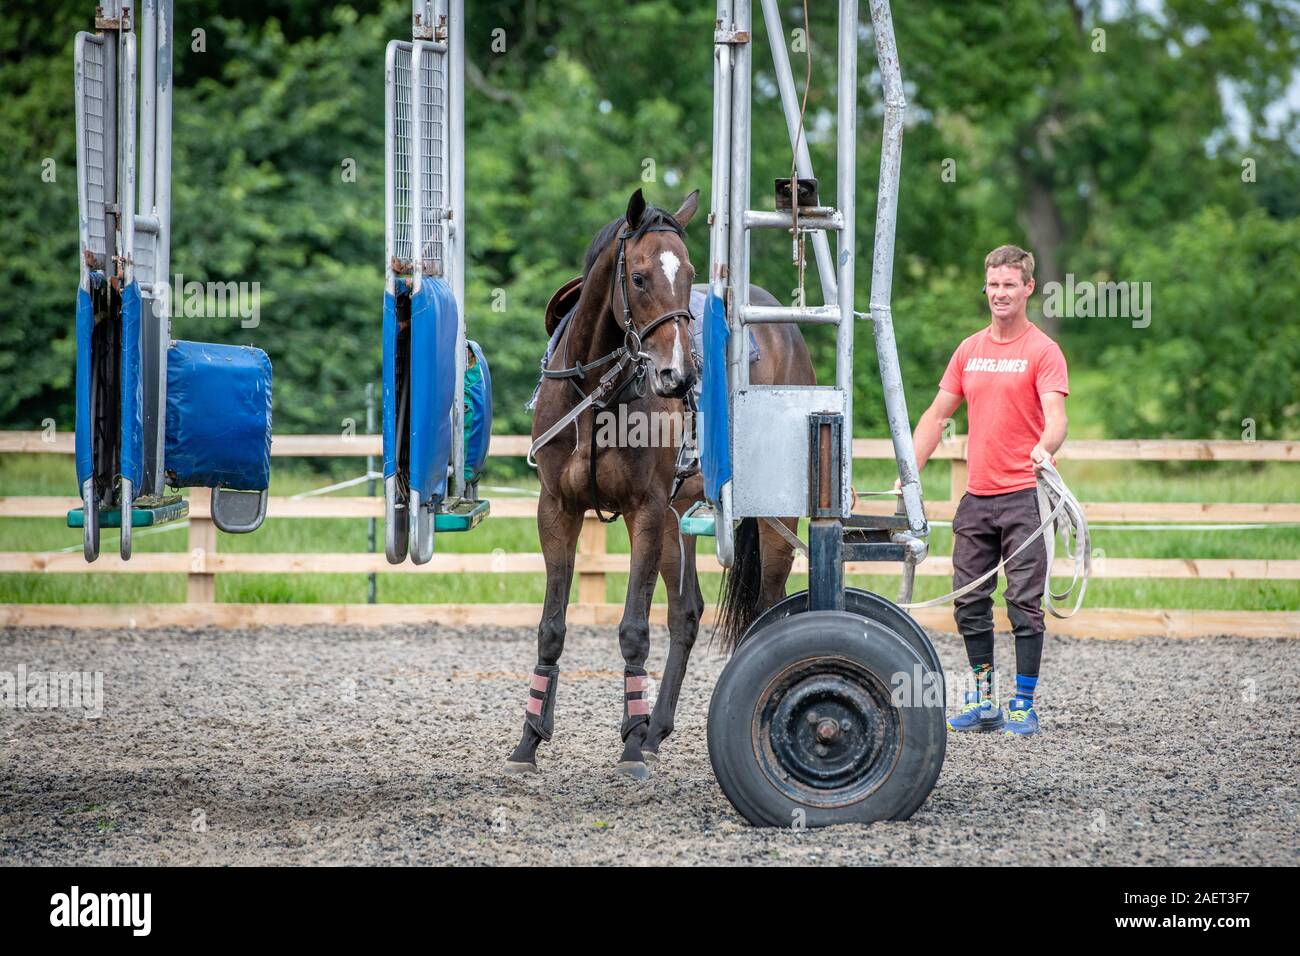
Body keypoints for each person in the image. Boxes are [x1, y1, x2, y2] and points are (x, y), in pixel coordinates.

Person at [906, 245, 1069, 737]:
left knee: (1023, 601)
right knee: (969, 600)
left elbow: (1057, 417)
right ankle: (983, 700)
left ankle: (1023, 702)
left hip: (1024, 495)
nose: (1000, 294)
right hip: (977, 498)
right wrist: (909, 471)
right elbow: (937, 416)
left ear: (1027, 289)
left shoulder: (1043, 351)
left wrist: (1045, 446)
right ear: (987, 288)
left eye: (1009, 285)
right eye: (993, 285)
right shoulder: (969, 350)